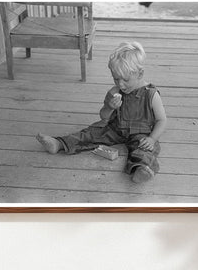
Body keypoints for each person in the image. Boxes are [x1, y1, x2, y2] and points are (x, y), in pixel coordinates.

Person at [36, 41, 167, 183]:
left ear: (140, 74)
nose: (121, 84)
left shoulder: (151, 95)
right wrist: (110, 107)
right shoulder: (115, 92)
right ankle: (59, 143)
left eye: (126, 80)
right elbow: (103, 116)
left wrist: (152, 139)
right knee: (91, 133)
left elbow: (162, 120)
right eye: (116, 79)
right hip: (115, 128)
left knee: (144, 149)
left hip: (140, 133)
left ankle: (141, 170)